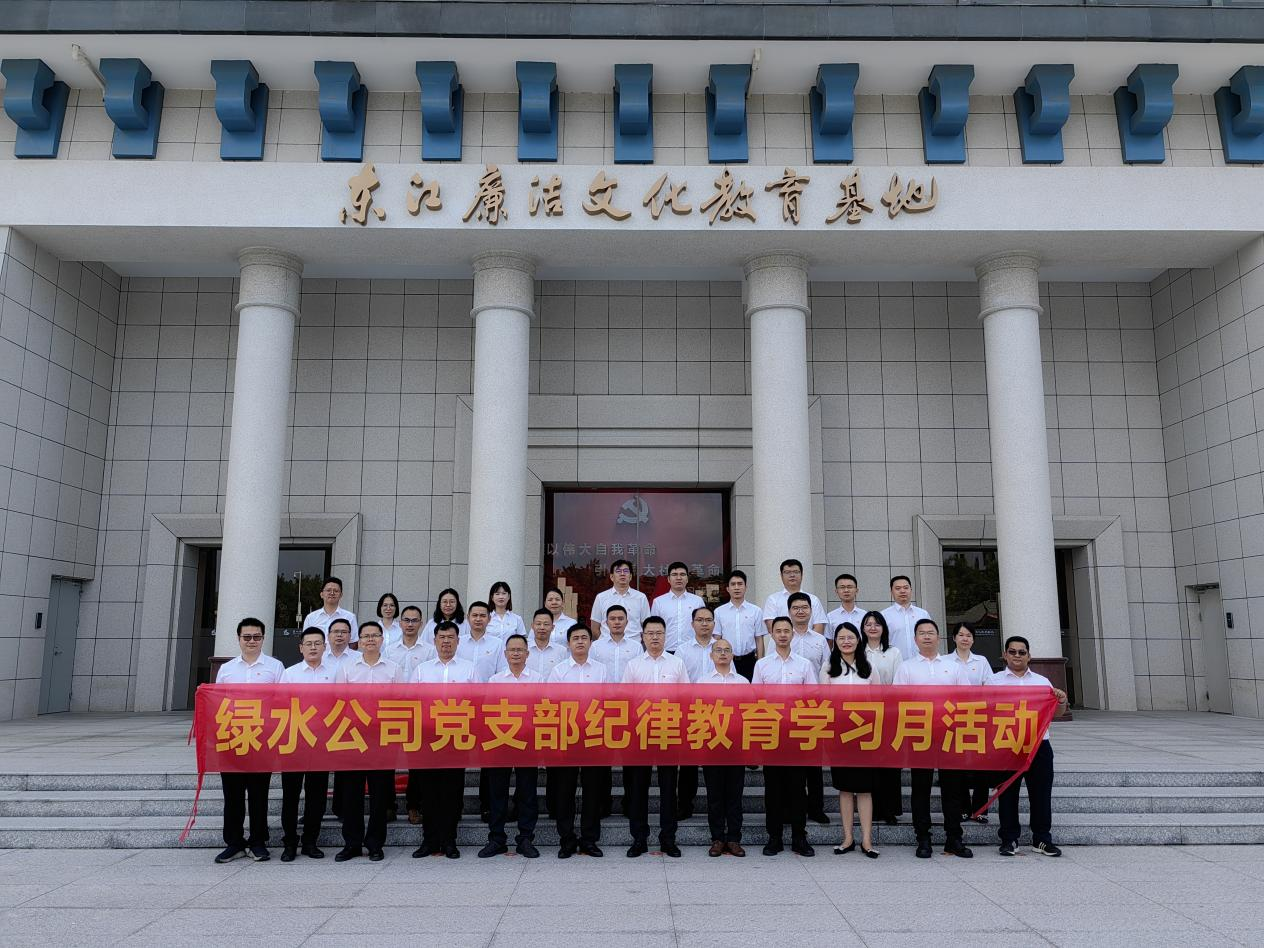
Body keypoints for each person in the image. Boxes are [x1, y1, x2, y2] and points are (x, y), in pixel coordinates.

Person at [893, 617, 972, 859]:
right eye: (922, 633)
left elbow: (966, 699)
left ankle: (954, 838)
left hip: (950, 733)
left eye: (931, 632)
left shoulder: (954, 667)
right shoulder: (906, 667)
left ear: (939, 637)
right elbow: (898, 702)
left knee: (953, 788)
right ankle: (923, 838)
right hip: (920, 734)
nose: (927, 636)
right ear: (915, 639)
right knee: (921, 788)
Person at [988, 634, 1067, 857]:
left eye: (1022, 652)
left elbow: (1056, 713)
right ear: (1005, 655)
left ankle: (1041, 839)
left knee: (1041, 794)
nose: (1017, 656)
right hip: (1007, 745)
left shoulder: (1042, 682)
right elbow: (985, 712)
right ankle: (1009, 839)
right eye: (1012, 652)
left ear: (1029, 656)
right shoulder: (994, 681)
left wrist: (1061, 700)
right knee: (1007, 794)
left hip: (1038, 746)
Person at [213, 617, 283, 863]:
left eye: (256, 637)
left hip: (262, 738)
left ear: (263, 638)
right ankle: (234, 842)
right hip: (232, 738)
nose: (252, 641)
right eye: (247, 637)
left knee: (258, 793)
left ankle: (257, 841)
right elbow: (217, 703)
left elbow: (282, 702)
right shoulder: (227, 669)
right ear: (239, 639)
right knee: (232, 794)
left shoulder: (275, 667)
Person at [332, 622, 403, 862]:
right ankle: (352, 843)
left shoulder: (394, 669)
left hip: (382, 738)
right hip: (353, 737)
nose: (370, 639)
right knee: (351, 793)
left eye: (375, 635)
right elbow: (339, 701)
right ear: (359, 641)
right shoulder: (347, 668)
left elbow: (401, 702)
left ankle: (375, 844)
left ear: (382, 639)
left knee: (379, 794)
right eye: (366, 636)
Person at [621, 616, 688, 857]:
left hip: (668, 730)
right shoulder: (633, 665)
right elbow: (625, 700)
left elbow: (685, 697)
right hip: (640, 731)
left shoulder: (677, 663)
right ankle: (639, 838)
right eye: (650, 633)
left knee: (669, 788)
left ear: (665, 635)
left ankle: (668, 839)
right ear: (642, 637)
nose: (655, 637)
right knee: (638, 788)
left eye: (659, 633)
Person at [410, 621, 478, 859]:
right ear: (434, 640)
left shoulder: (469, 669)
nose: (446, 642)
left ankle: (449, 841)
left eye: (451, 637)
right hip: (428, 737)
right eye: (442, 637)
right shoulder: (422, 670)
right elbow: (411, 702)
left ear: (458, 641)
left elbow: (477, 703)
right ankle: (429, 840)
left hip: (456, 737)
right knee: (428, 791)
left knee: (452, 791)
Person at [752, 616, 817, 857]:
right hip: (771, 732)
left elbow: (813, 698)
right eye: (778, 631)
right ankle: (775, 837)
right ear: (772, 635)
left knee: (798, 788)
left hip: (797, 732)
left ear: (792, 634)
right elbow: (755, 699)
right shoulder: (762, 665)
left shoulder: (804, 665)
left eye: (786, 631)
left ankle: (799, 837)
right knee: (773, 788)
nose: (782, 634)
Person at [547, 624, 609, 857]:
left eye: (584, 637)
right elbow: (551, 704)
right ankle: (567, 839)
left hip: (594, 735)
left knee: (593, 790)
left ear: (591, 643)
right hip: (567, 735)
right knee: (565, 790)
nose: (580, 641)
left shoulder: (601, 670)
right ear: (568, 643)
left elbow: (608, 701)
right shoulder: (559, 671)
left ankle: (589, 839)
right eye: (576, 638)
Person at [480, 633, 543, 859]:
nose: (516, 653)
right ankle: (497, 839)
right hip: (501, 741)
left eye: (520, 650)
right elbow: (488, 710)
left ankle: (525, 839)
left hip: (528, 741)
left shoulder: (537, 679)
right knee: (498, 793)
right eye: (512, 650)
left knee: (527, 793)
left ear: (527, 654)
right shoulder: (495, 680)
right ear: (505, 654)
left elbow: (542, 709)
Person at [820, 623, 880, 858]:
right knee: (845, 788)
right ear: (835, 642)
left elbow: (878, 699)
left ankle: (867, 840)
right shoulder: (829, 667)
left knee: (865, 789)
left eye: (850, 637)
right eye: (841, 638)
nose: (846, 641)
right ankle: (847, 838)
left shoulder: (869, 666)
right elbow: (823, 701)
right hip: (840, 733)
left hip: (864, 734)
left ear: (858, 640)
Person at [278, 627, 335, 862]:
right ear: (300, 647)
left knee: (317, 796)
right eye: (308, 643)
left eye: (317, 643)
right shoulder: (289, 674)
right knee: (290, 795)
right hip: (294, 742)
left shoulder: (335, 674)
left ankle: (311, 841)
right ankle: (290, 842)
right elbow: (279, 706)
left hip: (321, 743)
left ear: (324, 647)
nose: (313, 647)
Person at [386, 604, 435, 826]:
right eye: (406, 620)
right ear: (400, 623)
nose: (410, 624)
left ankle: (414, 805)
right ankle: (389, 805)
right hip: (393, 709)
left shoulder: (429, 650)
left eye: (415, 620)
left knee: (417, 760)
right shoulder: (390, 650)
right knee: (388, 758)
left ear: (421, 624)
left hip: (420, 710)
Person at [699, 637, 748, 857]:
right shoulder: (702, 682)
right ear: (711, 656)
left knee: (735, 794)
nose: (722, 653)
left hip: (736, 744)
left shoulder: (743, 682)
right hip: (712, 743)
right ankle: (717, 838)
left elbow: (748, 713)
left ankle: (734, 839)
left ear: (732, 655)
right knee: (715, 795)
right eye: (718, 650)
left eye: (727, 650)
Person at [786, 592, 830, 825]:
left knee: (813, 762)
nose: (800, 611)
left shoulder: (820, 640)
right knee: (791, 761)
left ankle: (816, 807)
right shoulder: (782, 637)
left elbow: (827, 670)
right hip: (787, 708)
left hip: (813, 706)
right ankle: (794, 806)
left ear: (811, 611)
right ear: (789, 612)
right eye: (796, 608)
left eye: (804, 607)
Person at [860, 609, 903, 826]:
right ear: (863, 628)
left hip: (888, 711)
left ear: (883, 628)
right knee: (869, 763)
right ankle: (872, 808)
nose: (872, 627)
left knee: (889, 762)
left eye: (877, 624)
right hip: (863, 714)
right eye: (868, 624)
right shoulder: (858, 651)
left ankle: (889, 809)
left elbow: (898, 682)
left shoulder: (894, 652)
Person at [675, 605, 718, 820]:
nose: (704, 624)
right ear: (692, 624)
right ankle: (685, 805)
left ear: (714, 623)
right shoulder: (682, 650)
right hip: (691, 711)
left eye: (708, 620)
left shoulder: (721, 647)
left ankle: (716, 807)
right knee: (688, 763)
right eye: (700, 620)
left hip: (717, 711)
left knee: (714, 762)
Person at [950, 621, 995, 823]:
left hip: (978, 717)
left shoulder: (982, 661)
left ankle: (980, 809)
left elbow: (990, 687)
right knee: (957, 765)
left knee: (981, 765)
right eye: (961, 635)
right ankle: (962, 808)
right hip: (953, 718)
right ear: (954, 638)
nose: (965, 639)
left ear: (973, 639)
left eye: (968, 635)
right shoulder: (945, 661)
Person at [761, 559, 826, 645]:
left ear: (802, 575)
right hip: (782, 646)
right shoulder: (773, 599)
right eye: (787, 572)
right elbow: (772, 628)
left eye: (796, 572)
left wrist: (806, 643)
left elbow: (819, 627)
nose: (792, 575)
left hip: (809, 646)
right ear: (781, 576)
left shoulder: (813, 600)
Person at [713, 569, 762, 681]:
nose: (736, 587)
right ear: (728, 589)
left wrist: (760, 663)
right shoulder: (719, 612)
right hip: (727, 660)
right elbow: (717, 638)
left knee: (749, 690)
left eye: (740, 584)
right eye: (733, 584)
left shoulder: (756, 611)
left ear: (746, 587)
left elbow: (759, 639)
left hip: (749, 660)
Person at [651, 561, 705, 653]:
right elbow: (654, 628)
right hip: (666, 651)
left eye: (682, 574)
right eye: (674, 574)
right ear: (668, 579)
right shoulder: (658, 602)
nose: (679, 578)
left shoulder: (697, 601)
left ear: (687, 579)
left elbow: (703, 626)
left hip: (692, 651)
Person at [590, 558, 650, 641]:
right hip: (607, 645)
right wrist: (605, 643)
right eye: (618, 571)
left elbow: (647, 626)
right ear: (611, 577)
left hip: (633, 645)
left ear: (630, 576)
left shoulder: (641, 597)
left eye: (626, 571)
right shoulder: (601, 597)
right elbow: (594, 628)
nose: (622, 574)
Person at [881, 575, 930, 663]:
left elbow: (930, 638)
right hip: (895, 665)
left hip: (922, 663)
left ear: (911, 590)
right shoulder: (884, 615)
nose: (902, 591)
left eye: (906, 588)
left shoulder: (923, 614)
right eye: (898, 588)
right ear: (891, 592)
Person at [458, 601, 507, 682]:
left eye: (482, 616)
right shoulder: (458, 642)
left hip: (489, 688)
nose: (478, 619)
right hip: (461, 688)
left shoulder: (498, 644)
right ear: (468, 618)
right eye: (475, 615)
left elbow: (501, 671)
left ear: (489, 619)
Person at [590, 604, 639, 682]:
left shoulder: (636, 647)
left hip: (628, 689)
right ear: (606, 623)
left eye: (620, 619)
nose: (617, 622)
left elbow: (639, 672)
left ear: (626, 622)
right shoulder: (596, 646)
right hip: (603, 689)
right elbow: (591, 671)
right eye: (612, 619)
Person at [303, 576, 359, 644]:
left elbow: (353, 643)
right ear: (321, 594)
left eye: (336, 591)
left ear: (341, 595)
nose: (332, 593)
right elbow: (306, 642)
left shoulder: (350, 617)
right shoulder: (311, 618)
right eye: (328, 590)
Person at [526, 608, 569, 678]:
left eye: (546, 624)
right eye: (538, 624)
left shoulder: (562, 651)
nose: (542, 627)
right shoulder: (524, 649)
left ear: (552, 627)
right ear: (532, 626)